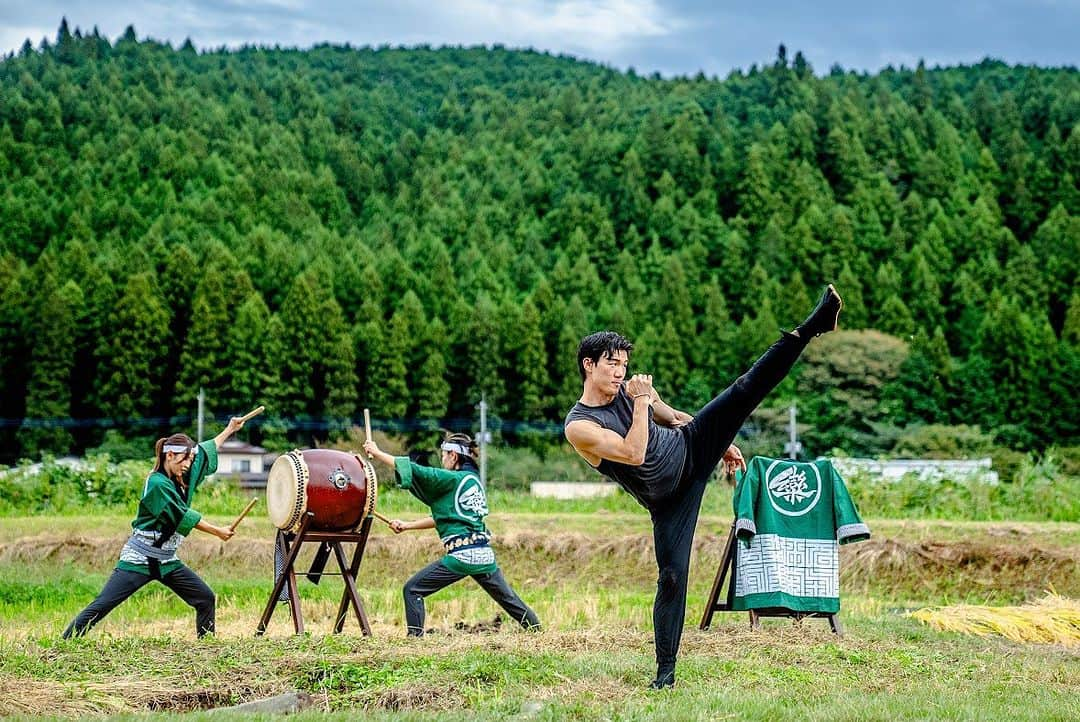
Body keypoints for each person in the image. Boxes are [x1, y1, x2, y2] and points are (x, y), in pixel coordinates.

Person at [564, 285, 843, 688]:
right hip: (667, 501)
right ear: (589, 365)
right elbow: (634, 452)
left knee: (745, 389)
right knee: (672, 578)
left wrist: (719, 440)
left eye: (625, 365)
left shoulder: (634, 392)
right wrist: (640, 402)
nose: (621, 373)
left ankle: (813, 325)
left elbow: (672, 416)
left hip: (692, 446)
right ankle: (665, 672)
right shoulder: (580, 426)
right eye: (612, 365)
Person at [62, 416, 249, 639]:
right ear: (169, 455)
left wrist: (229, 429)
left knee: (205, 597)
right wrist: (218, 531)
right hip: (139, 559)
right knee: (103, 604)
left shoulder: (180, 472)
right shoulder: (157, 484)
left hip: (166, 560)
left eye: (189, 460)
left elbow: (204, 452)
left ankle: (207, 647)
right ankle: (66, 642)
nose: (188, 465)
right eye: (184, 460)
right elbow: (181, 515)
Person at [362, 432, 541, 636]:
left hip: (462, 556)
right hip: (484, 555)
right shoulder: (472, 481)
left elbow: (413, 470)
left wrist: (377, 453)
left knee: (413, 590)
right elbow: (446, 515)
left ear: (454, 456)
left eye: (444, 455)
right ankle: (538, 632)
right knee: (509, 600)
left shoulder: (451, 479)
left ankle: (414, 642)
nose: (442, 459)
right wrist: (407, 525)